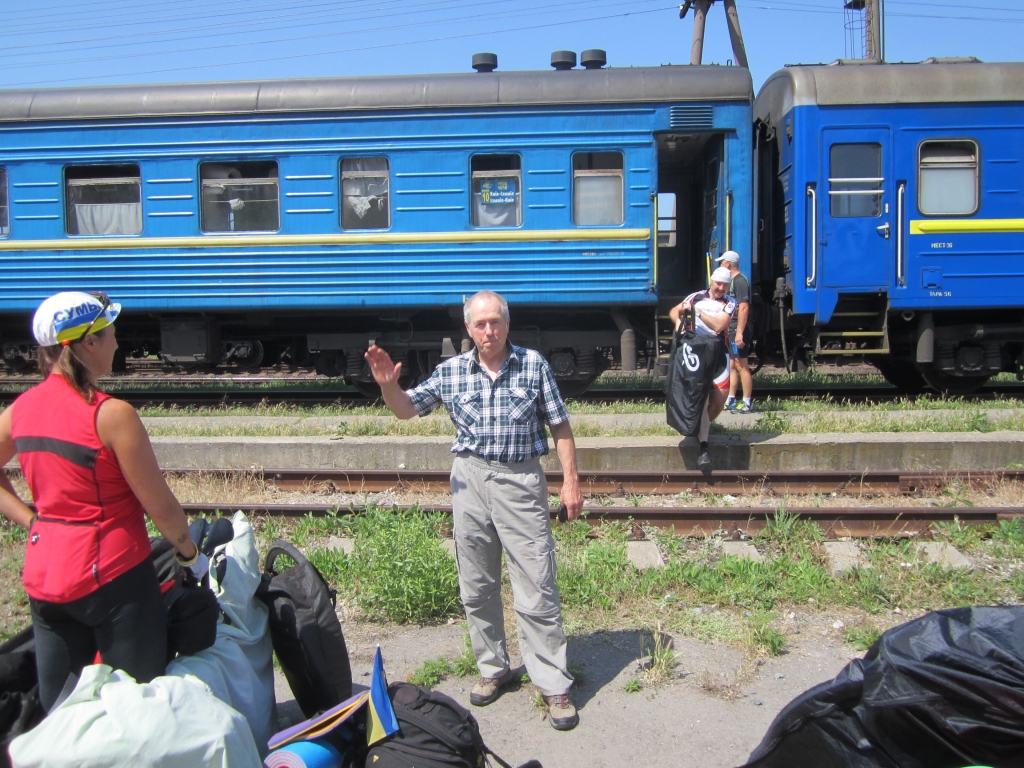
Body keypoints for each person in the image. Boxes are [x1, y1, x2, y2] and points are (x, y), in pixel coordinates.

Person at [365, 290, 583, 731]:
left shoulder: (534, 365)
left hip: (521, 480)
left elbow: (560, 425)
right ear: (468, 328)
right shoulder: (450, 372)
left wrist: (571, 481)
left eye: (495, 322)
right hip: (469, 480)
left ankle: (552, 681)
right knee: (477, 584)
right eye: (480, 324)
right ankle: (493, 668)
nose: (489, 331)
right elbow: (406, 410)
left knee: (536, 583)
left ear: (507, 323)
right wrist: (388, 386)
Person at [0, 292, 207, 711]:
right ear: (89, 342)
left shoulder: (21, 409)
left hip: (45, 579)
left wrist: (32, 521)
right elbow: (162, 509)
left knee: (62, 711)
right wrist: (189, 554)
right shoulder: (111, 415)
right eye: (110, 332)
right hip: (114, 580)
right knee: (135, 705)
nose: (117, 341)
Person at [668, 267, 737, 470]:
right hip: (698, 350)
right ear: (711, 281)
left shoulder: (730, 302)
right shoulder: (695, 296)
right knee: (703, 398)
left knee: (720, 400)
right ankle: (704, 446)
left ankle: (698, 426)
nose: (721, 288)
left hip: (719, 351)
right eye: (718, 284)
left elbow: (719, 326)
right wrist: (678, 321)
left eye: (725, 285)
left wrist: (698, 311)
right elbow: (675, 310)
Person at [717, 251, 755, 414]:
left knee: (741, 365)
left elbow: (744, 308)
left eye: (721, 262)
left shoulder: (740, 281)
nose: (720, 265)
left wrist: (739, 332)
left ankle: (747, 401)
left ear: (728, 264)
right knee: (732, 364)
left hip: (737, 329)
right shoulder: (731, 281)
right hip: (731, 328)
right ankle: (731, 398)